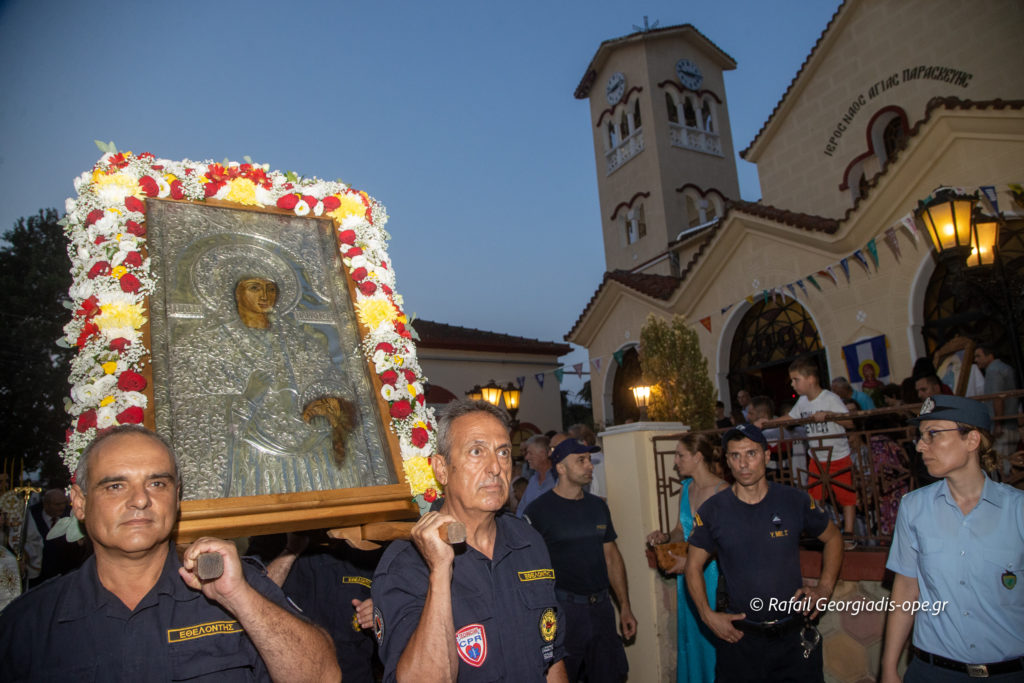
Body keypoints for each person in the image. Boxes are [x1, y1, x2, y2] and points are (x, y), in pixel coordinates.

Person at [0, 425, 339, 682]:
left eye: (157, 484)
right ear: (79, 502)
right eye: (116, 485)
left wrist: (240, 599)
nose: (140, 499)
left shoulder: (237, 587)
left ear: (177, 500)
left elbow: (324, 676)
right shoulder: (29, 624)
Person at [372, 400, 567, 682]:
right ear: (441, 469)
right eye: (477, 452)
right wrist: (439, 572)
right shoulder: (405, 563)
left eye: (502, 453)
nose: (495, 468)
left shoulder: (528, 541)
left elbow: (552, 658)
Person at [881, 395, 1024, 682]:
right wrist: (888, 668)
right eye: (921, 437)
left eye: (932, 434)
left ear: (971, 440)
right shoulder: (914, 508)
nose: (921, 446)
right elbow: (907, 590)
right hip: (933, 672)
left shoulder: (1017, 510)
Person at [685, 424, 843, 682]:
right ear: (727, 461)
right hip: (740, 641)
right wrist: (707, 615)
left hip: (794, 636)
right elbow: (693, 566)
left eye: (751, 454)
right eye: (735, 456)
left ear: (767, 457)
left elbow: (833, 537)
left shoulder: (794, 500)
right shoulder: (713, 511)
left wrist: (824, 588)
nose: (743, 464)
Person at [525, 439, 637, 682]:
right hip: (565, 611)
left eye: (589, 460)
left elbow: (612, 558)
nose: (590, 466)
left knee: (610, 675)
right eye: (581, 460)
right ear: (561, 468)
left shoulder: (598, 507)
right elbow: (529, 570)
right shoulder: (538, 512)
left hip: (601, 610)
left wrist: (625, 607)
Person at [645, 433, 727, 683]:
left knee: (713, 640)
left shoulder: (723, 491)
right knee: (692, 640)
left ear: (698, 457)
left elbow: (727, 543)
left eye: (680, 455)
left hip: (712, 576)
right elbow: (681, 530)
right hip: (688, 577)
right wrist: (664, 537)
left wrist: (694, 563)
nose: (675, 461)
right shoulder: (686, 489)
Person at [266, 532, 380, 683]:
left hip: (353, 673)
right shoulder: (274, 541)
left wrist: (378, 616)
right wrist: (291, 550)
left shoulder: (371, 549)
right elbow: (254, 601)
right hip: (292, 673)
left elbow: (395, 627)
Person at [788, 356, 857, 546]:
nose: (793, 384)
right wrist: (767, 423)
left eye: (796, 380)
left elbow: (849, 422)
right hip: (816, 458)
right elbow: (790, 417)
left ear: (810, 379)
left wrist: (830, 416)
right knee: (814, 496)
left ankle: (849, 533)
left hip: (837, 456)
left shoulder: (830, 398)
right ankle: (820, 530)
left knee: (846, 495)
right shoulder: (802, 402)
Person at [22, 488, 89, 587]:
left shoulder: (73, 517)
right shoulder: (32, 518)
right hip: (39, 579)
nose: (62, 507)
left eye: (64, 503)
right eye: (57, 504)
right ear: (46, 504)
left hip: (66, 578)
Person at [974, 342, 1021, 477]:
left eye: (978, 356)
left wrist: (998, 423)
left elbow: (998, 397)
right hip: (1010, 424)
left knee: (1000, 468)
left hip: (1004, 426)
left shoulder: (994, 370)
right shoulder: (1003, 368)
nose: (976, 360)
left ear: (990, 355)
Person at [516, 434, 556, 517]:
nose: (526, 457)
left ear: (543, 454)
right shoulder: (533, 480)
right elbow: (521, 509)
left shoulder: (557, 481)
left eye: (530, 453)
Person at [569, 423, 607, 498]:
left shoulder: (595, 463)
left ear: (583, 443)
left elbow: (600, 497)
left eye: (570, 442)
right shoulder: (601, 457)